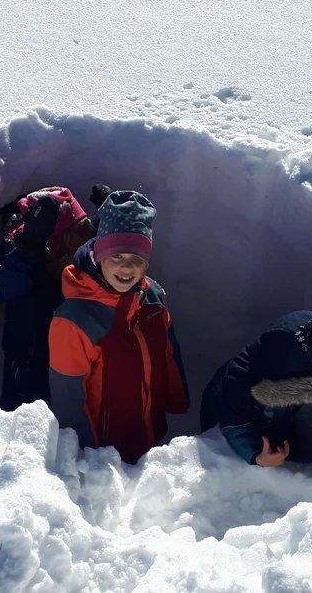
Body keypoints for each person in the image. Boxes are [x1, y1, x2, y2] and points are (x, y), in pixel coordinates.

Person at [48, 190, 189, 463]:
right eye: (117, 256)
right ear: (99, 255)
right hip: (105, 447)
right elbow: (69, 399)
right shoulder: (74, 320)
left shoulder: (153, 295)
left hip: (150, 427)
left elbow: (169, 351)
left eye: (137, 258)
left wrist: (176, 399)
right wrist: (88, 456)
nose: (127, 267)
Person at [199, 311, 312, 467]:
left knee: (285, 441)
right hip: (228, 415)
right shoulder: (237, 381)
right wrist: (256, 456)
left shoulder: (299, 362)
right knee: (242, 444)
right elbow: (234, 427)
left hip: (277, 415)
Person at [0, 187, 96, 410]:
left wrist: (114, 225)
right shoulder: (22, 263)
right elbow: (4, 288)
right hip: (28, 364)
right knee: (19, 413)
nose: (85, 249)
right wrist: (28, 249)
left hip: (70, 361)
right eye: (77, 241)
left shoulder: (76, 262)